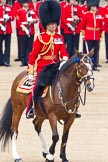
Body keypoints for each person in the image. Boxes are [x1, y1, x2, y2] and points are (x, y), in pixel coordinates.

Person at [26, 0, 69, 119]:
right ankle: (30, 108)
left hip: (56, 66)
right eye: (50, 23)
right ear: (46, 24)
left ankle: (70, 108)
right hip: (43, 67)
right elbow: (33, 56)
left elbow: (63, 52)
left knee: (68, 83)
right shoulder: (40, 38)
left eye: (55, 23)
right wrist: (30, 72)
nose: (53, 25)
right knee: (38, 86)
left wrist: (65, 60)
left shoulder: (59, 37)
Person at [80, 0, 104, 71]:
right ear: (90, 7)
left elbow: (101, 25)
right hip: (89, 35)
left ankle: (95, 65)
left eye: (95, 6)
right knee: (88, 52)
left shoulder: (98, 15)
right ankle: (87, 64)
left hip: (96, 36)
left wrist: (101, 33)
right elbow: (82, 25)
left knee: (95, 51)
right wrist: (83, 34)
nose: (95, 7)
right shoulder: (86, 15)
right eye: (93, 6)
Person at [16, 0, 38, 66]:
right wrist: (23, 27)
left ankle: (28, 60)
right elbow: (18, 21)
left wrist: (33, 20)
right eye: (25, 3)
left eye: (27, 3)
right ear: (22, 4)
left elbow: (36, 19)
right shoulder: (19, 11)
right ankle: (23, 61)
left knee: (30, 46)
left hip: (31, 30)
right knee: (23, 46)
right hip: (22, 31)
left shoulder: (31, 11)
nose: (27, 4)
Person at [0, 0, 14, 66]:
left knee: (7, 46)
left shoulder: (9, 7)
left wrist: (9, 17)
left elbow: (13, 17)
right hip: (0, 29)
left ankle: (6, 61)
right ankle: (1, 60)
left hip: (8, 29)